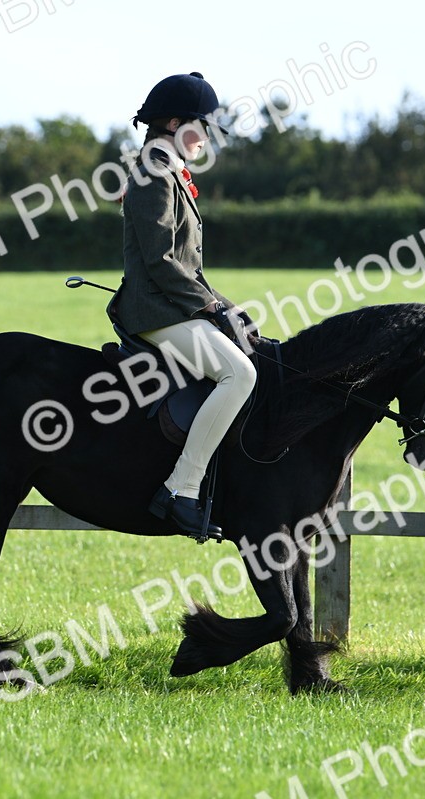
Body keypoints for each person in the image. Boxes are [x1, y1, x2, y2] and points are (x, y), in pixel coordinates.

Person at [111, 71, 257, 539]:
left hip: (173, 306)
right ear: (175, 123)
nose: (208, 139)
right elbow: (160, 261)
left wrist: (229, 309)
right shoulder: (155, 166)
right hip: (155, 312)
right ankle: (181, 489)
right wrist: (213, 311)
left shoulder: (167, 165)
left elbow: (188, 269)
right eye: (203, 127)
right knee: (240, 374)